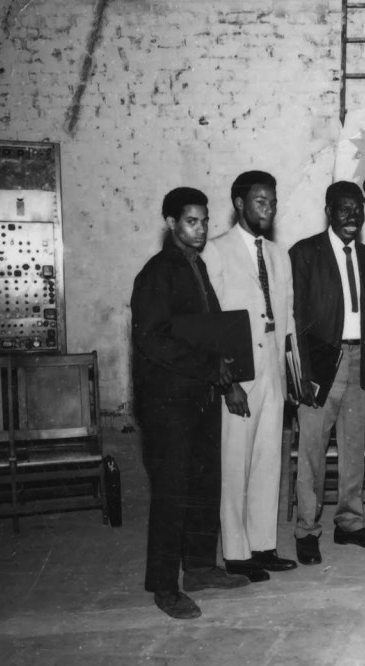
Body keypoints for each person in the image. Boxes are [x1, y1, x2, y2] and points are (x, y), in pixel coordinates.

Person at [131, 187, 249, 619]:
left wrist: (228, 380)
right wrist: (208, 364)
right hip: (167, 404)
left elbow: (211, 331)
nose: (199, 229)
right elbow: (152, 340)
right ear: (170, 223)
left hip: (200, 395)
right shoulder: (157, 273)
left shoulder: (195, 267)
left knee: (204, 484)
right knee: (171, 493)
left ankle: (199, 567)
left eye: (203, 221)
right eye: (190, 221)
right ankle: (164, 586)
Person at [202, 171, 297, 582]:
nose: (268, 208)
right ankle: (237, 552)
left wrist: (292, 374)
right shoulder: (215, 252)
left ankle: (263, 545)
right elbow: (211, 321)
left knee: (267, 462)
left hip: (273, 373)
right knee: (234, 463)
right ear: (239, 203)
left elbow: (287, 318)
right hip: (238, 377)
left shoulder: (279, 254)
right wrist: (229, 383)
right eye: (260, 201)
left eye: (273, 201)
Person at [290, 180, 365, 564]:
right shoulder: (305, 253)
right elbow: (296, 318)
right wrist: (303, 374)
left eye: (358, 210)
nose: (352, 216)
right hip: (321, 363)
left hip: (357, 359)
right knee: (312, 451)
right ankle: (306, 529)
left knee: (352, 448)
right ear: (329, 211)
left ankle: (349, 523)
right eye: (344, 209)